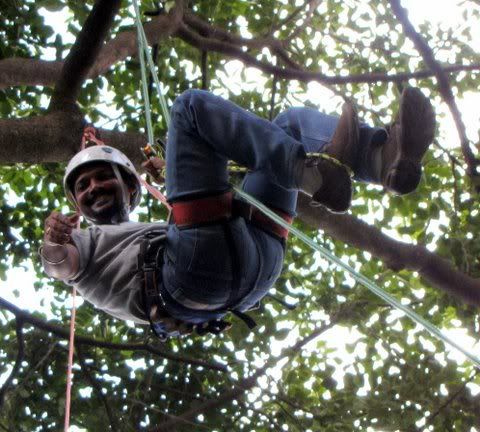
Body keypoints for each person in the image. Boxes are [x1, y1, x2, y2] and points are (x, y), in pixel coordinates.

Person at [40, 88, 435, 338]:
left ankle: (380, 158)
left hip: (248, 260)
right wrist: (54, 244)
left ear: (130, 188)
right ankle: (313, 175)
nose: (92, 188)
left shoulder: (148, 231)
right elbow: (61, 266)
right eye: (83, 187)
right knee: (189, 110)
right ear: (76, 207)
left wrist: (178, 174)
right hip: (195, 276)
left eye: (99, 178)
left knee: (290, 125)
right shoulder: (83, 241)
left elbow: (203, 208)